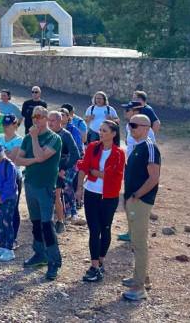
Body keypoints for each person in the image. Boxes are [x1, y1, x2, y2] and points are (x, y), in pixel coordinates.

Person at [15, 107, 63, 280]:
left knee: (46, 225)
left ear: (46, 118)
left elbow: (41, 157)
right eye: (33, 116)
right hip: (31, 184)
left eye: (39, 116)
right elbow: (18, 159)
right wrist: (35, 159)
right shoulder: (27, 138)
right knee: (35, 222)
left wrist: (35, 140)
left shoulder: (54, 138)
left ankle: (54, 261)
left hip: (45, 186)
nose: (35, 119)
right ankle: (39, 253)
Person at [75, 120, 125, 283]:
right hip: (91, 193)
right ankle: (94, 266)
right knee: (94, 230)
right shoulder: (92, 147)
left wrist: (94, 171)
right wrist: (79, 188)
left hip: (109, 196)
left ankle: (101, 260)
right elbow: (83, 167)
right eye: (100, 130)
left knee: (105, 228)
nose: (101, 133)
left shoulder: (119, 153)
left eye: (104, 131)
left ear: (113, 134)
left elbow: (113, 176)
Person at [121, 114, 161, 302]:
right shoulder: (138, 147)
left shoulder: (150, 147)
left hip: (141, 201)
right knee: (135, 241)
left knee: (139, 242)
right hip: (133, 200)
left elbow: (154, 177)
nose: (130, 128)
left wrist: (137, 195)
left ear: (146, 128)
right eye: (130, 125)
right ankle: (142, 277)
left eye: (134, 125)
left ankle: (139, 287)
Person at [0, 114, 24, 245]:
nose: (5, 127)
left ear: (15, 125)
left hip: (13, 178)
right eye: (4, 125)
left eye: (8, 125)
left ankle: (13, 237)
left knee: (12, 208)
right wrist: (5, 152)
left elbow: (12, 157)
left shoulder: (19, 140)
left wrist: (0, 153)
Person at [50, 111, 79, 234]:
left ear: (59, 121)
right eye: (48, 120)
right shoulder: (46, 133)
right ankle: (47, 221)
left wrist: (64, 168)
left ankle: (60, 221)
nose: (50, 123)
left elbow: (75, 154)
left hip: (59, 169)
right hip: (46, 169)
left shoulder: (66, 135)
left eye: (53, 120)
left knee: (57, 195)